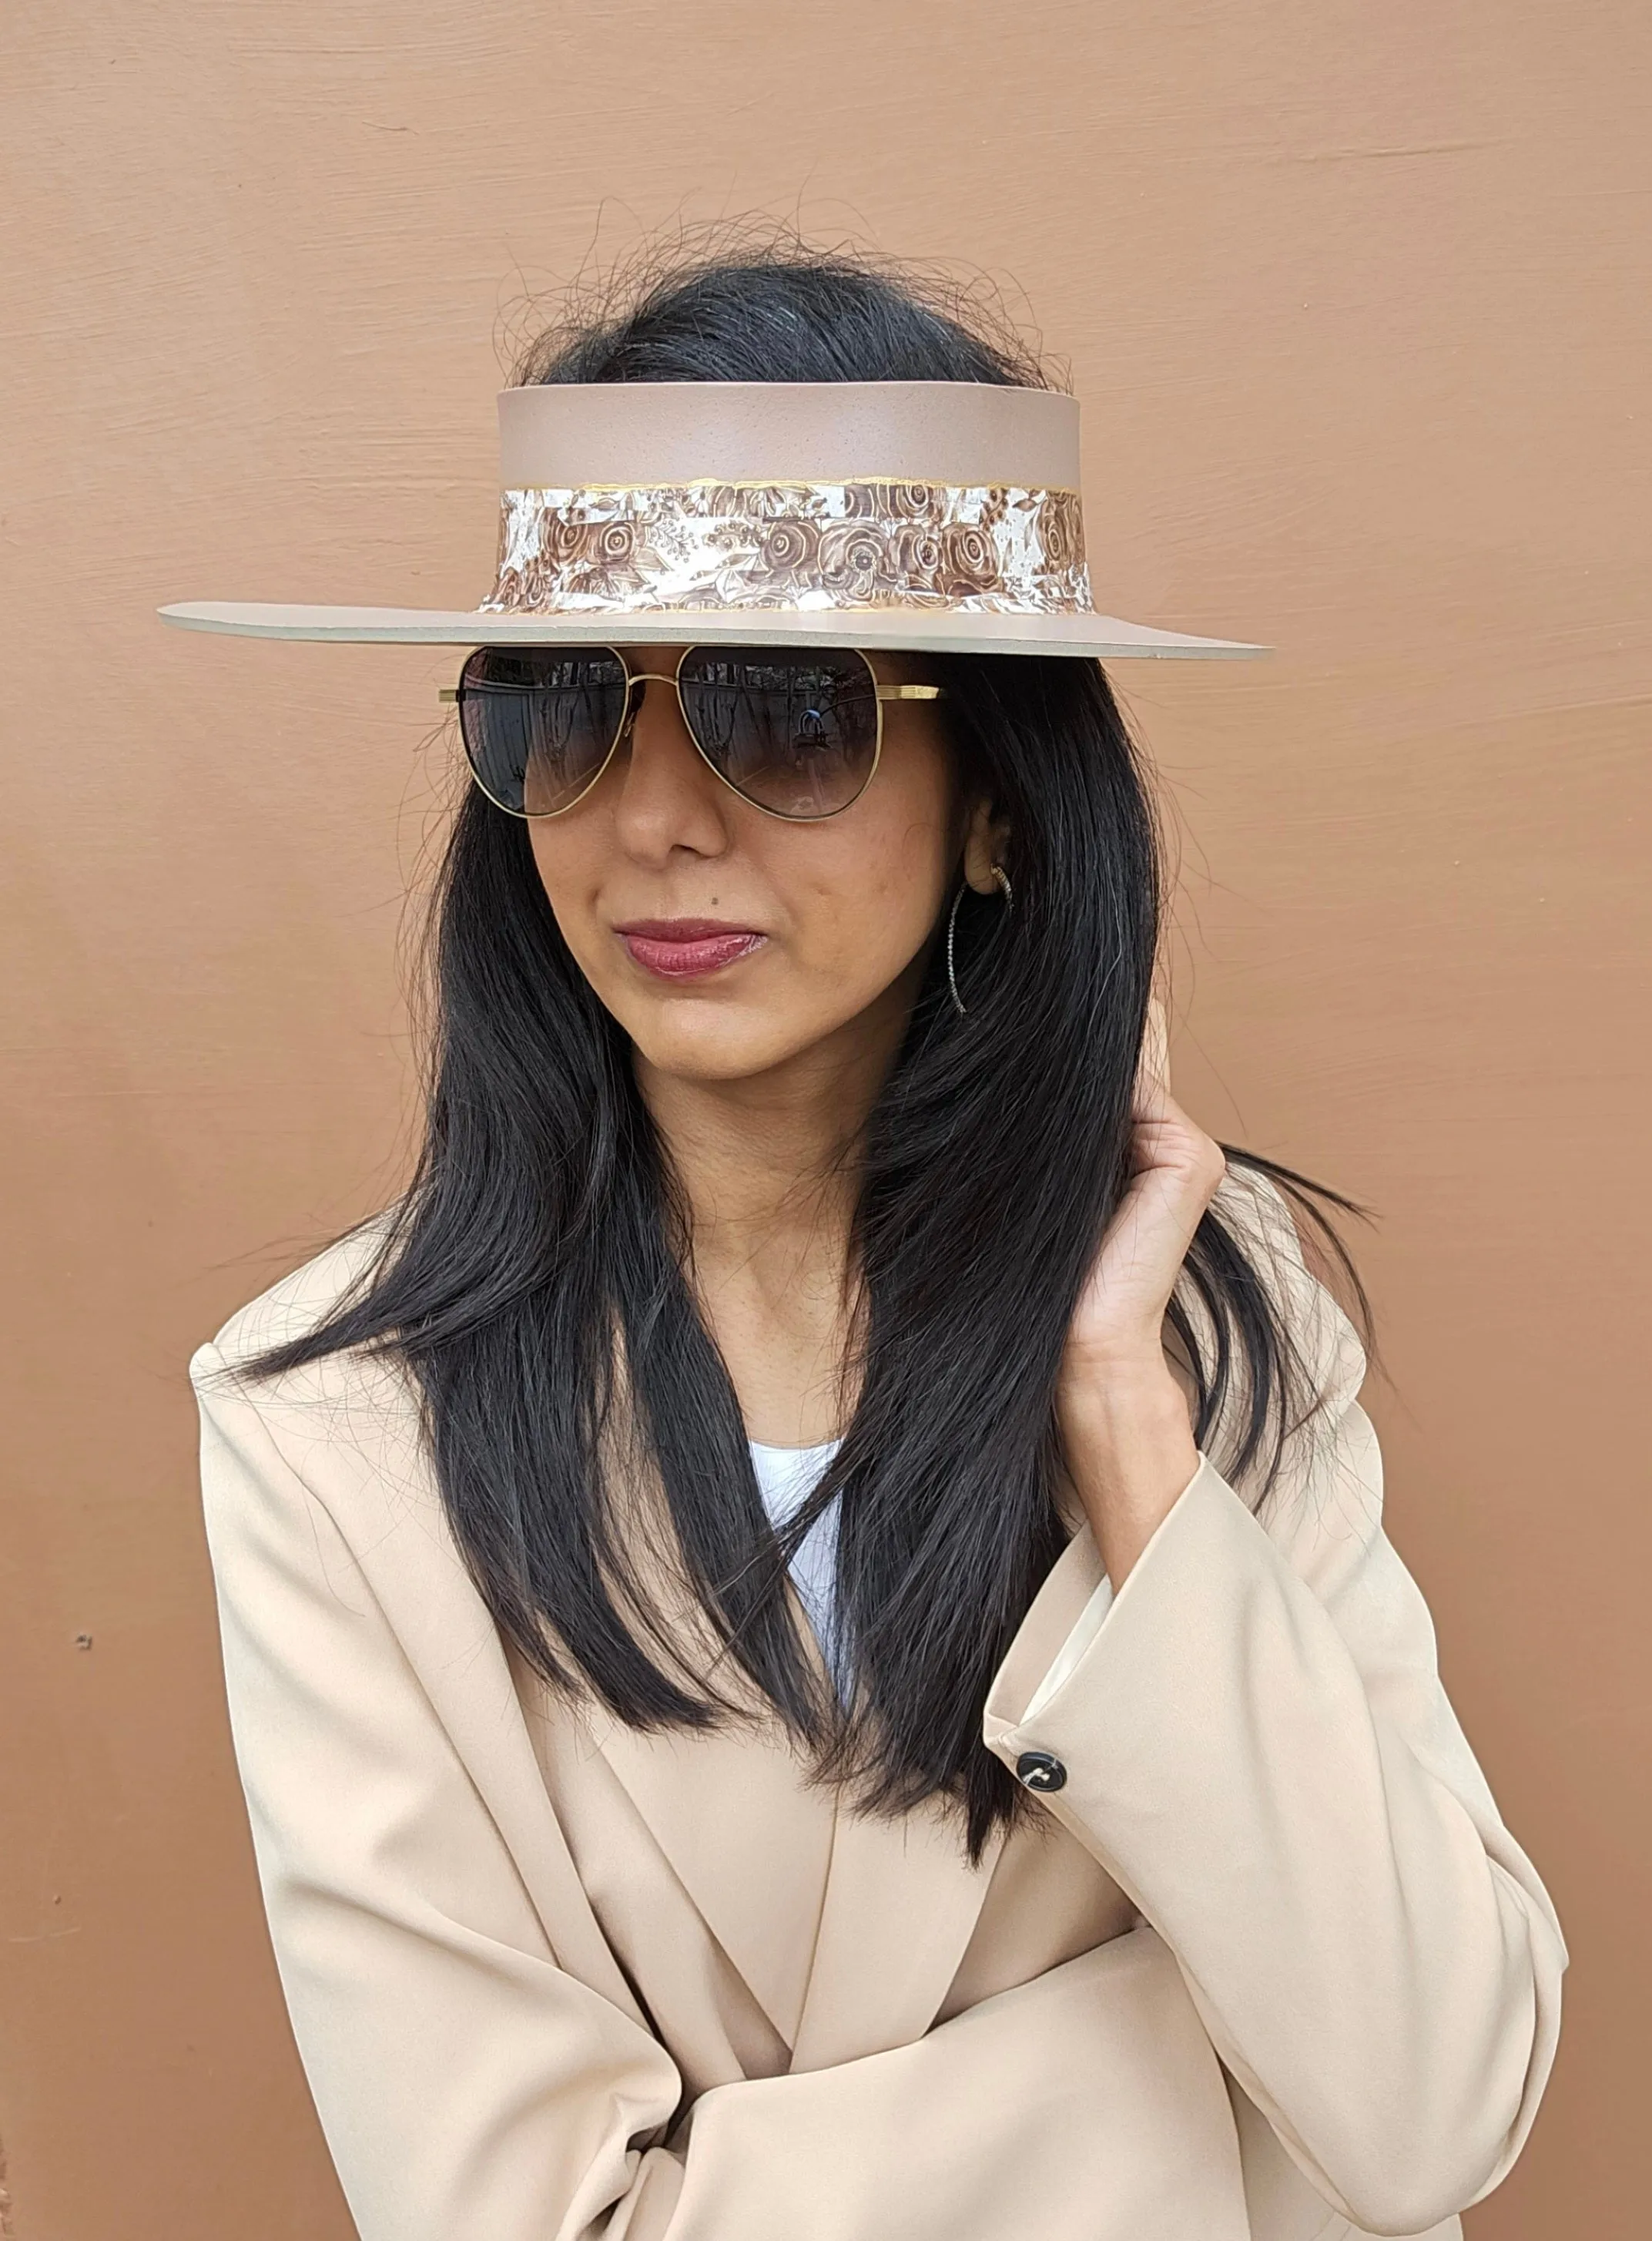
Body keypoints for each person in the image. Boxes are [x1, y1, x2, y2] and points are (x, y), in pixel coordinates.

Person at [167, 245, 1564, 2241]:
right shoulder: (334, 1426)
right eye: (565, 708)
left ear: (997, 799)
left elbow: (1430, 2104)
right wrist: (1190, 2096)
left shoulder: (1212, 1319)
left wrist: (1119, 1425)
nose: (652, 816)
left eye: (785, 710)